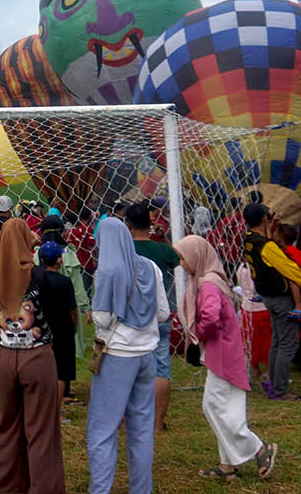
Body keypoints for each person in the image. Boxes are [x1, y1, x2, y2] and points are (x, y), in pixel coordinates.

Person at [175, 234, 279, 482]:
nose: (181, 263)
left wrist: (197, 337)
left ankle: (259, 448)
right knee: (228, 407)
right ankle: (228, 464)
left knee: (213, 405)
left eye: (183, 257)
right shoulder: (210, 280)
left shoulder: (207, 284)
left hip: (221, 352)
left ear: (196, 256)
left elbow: (210, 318)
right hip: (228, 351)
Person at [0, 216, 64, 494]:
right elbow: (54, 317)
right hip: (37, 357)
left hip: (3, 357)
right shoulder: (40, 276)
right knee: (41, 430)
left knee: (1, 425)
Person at [86, 217, 164, 494]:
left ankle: (100, 489)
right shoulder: (151, 267)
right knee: (142, 428)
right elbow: (163, 313)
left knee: (102, 428)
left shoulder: (107, 270)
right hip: (147, 354)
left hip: (118, 355)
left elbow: (103, 319)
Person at [241, 202, 301, 400]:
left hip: (267, 296)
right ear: (263, 218)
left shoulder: (249, 240)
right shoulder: (266, 245)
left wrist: (271, 226)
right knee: (288, 344)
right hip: (280, 298)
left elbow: (267, 249)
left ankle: (272, 383)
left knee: (277, 342)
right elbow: (287, 266)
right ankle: (280, 390)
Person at [126, 205, 178, 432]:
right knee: (161, 369)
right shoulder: (161, 250)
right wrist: (163, 237)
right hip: (159, 314)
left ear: (128, 225)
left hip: (129, 316)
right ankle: (157, 424)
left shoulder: (123, 251)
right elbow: (179, 258)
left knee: (126, 367)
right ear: (150, 225)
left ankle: (126, 420)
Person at [38, 241, 77, 411]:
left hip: (42, 328)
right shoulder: (64, 282)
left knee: (44, 368)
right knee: (62, 370)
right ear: (59, 260)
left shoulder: (36, 280)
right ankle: (57, 409)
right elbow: (72, 310)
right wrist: (73, 327)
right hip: (62, 329)